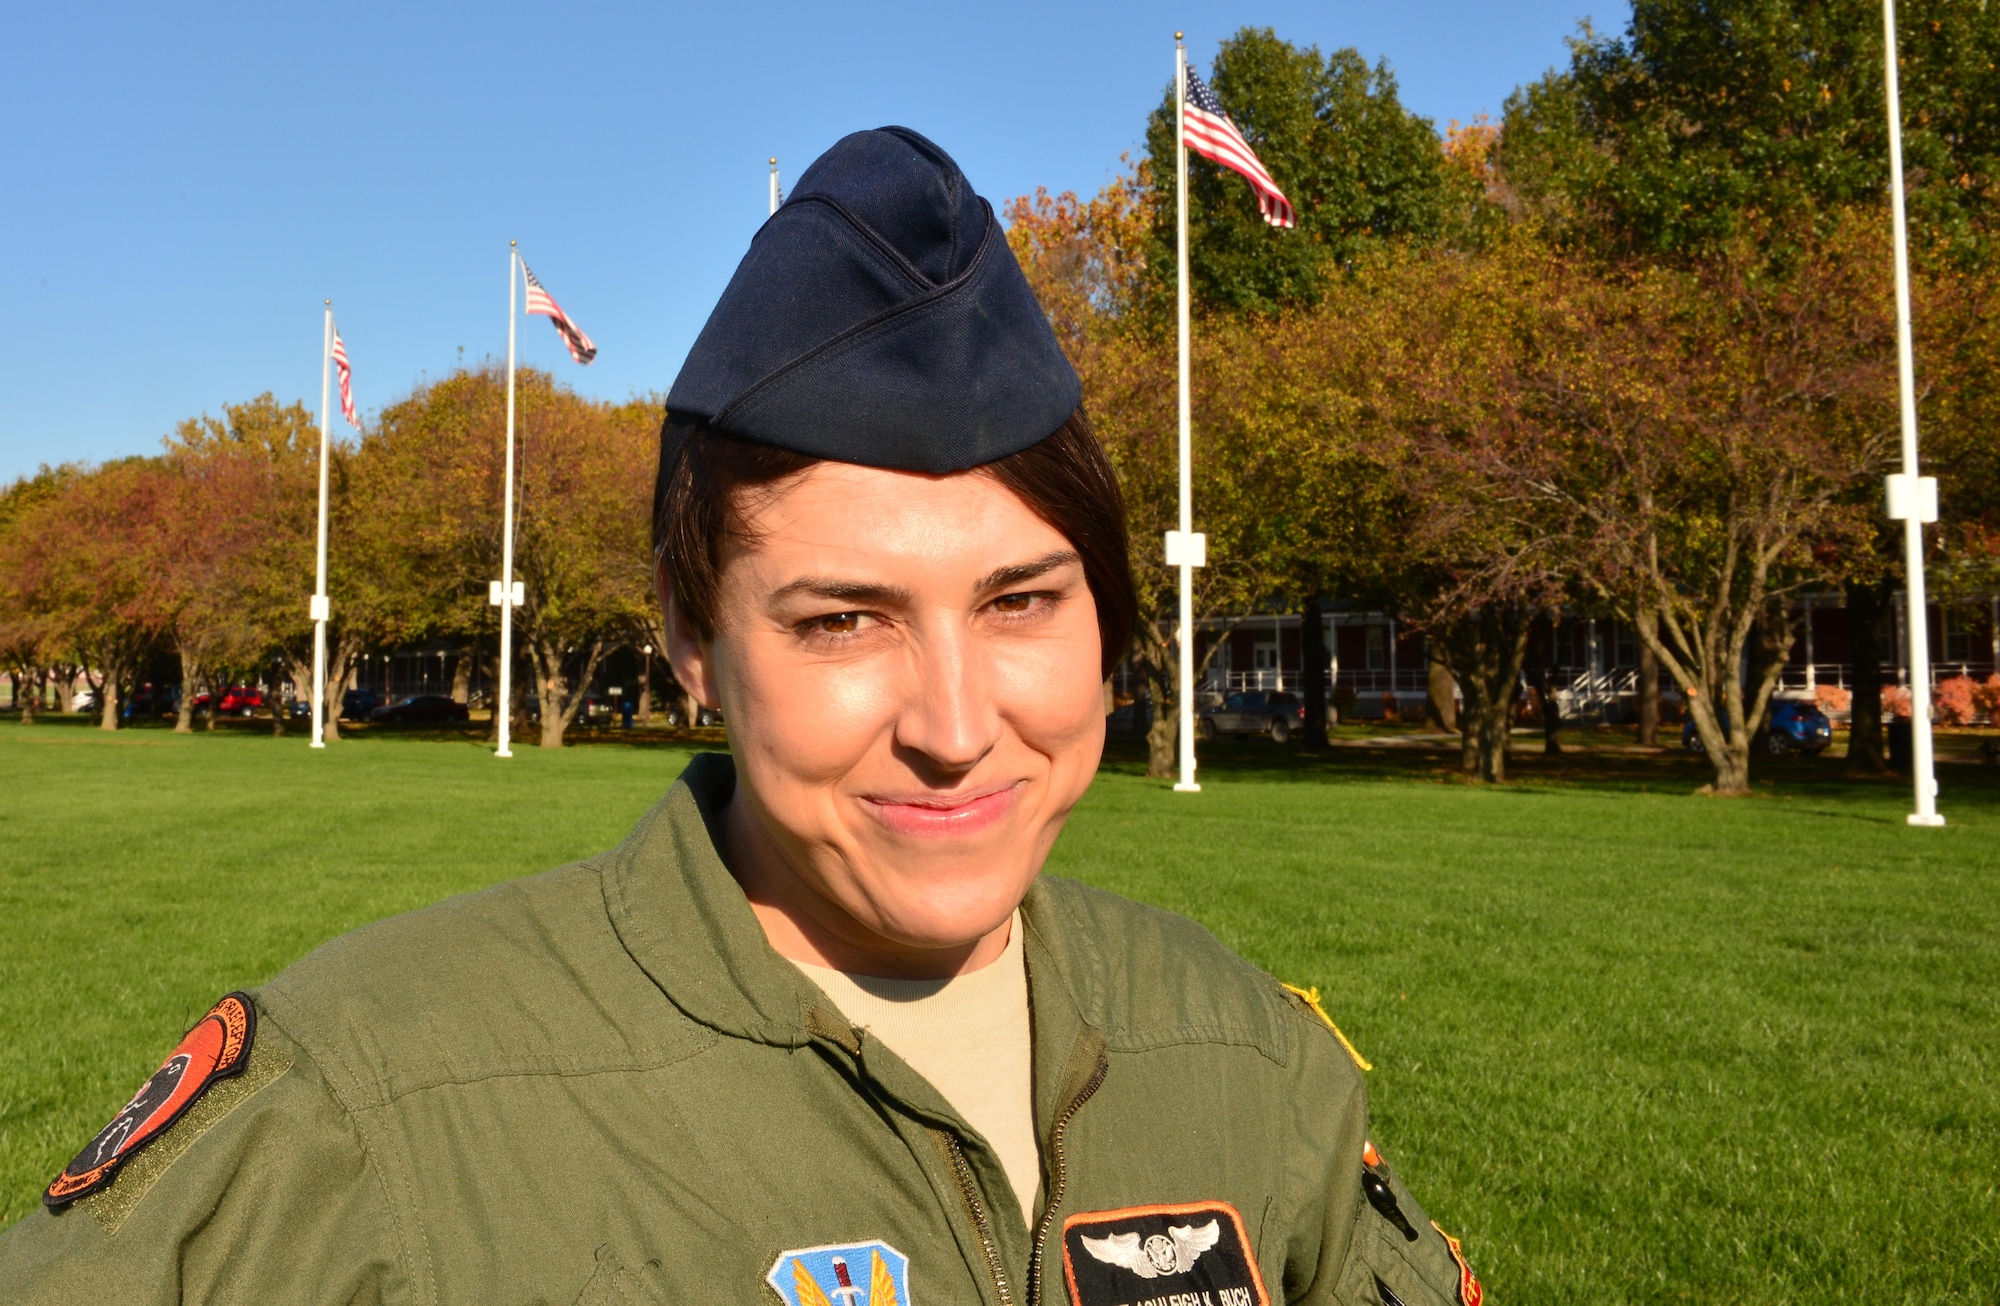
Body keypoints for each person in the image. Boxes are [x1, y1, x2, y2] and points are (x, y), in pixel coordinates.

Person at [0, 127, 1479, 1306]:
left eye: (1022, 600)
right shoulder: (371, 1112)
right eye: (845, 620)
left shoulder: (1240, 1058)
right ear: (692, 640)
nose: (957, 724)